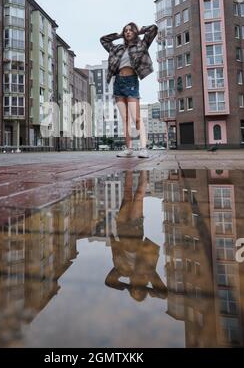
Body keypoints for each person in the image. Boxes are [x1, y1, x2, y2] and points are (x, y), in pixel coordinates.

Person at [105, 170, 167, 302]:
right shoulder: (148, 273)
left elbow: (109, 282)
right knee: (139, 195)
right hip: (135, 228)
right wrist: (147, 289)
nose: (135, 290)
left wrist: (127, 287)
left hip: (121, 227)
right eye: (139, 291)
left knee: (127, 194)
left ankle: (129, 168)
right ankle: (144, 170)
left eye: (133, 292)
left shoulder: (122, 271)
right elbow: (163, 294)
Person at [100, 22, 158, 158]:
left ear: (135, 32)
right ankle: (129, 149)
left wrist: (139, 30)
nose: (128, 32)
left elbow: (153, 29)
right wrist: (118, 35)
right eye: (125, 31)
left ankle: (143, 148)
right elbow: (103, 40)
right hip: (118, 84)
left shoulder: (141, 45)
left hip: (131, 82)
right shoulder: (117, 48)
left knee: (136, 118)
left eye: (130, 30)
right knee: (125, 119)